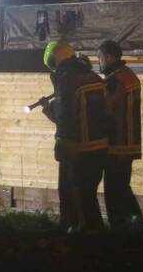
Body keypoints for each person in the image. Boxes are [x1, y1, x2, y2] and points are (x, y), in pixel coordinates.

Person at [42, 40, 108, 231]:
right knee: (88, 195)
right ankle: (96, 232)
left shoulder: (66, 80)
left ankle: (75, 232)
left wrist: (61, 146)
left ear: (55, 60)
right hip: (100, 147)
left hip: (77, 149)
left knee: (71, 193)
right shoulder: (94, 77)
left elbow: (65, 118)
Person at [98, 40, 143, 230]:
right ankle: (134, 223)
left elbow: (106, 109)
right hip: (130, 142)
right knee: (122, 186)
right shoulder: (129, 75)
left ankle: (121, 226)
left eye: (100, 58)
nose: (99, 62)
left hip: (117, 143)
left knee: (114, 189)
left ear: (108, 57)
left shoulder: (114, 81)